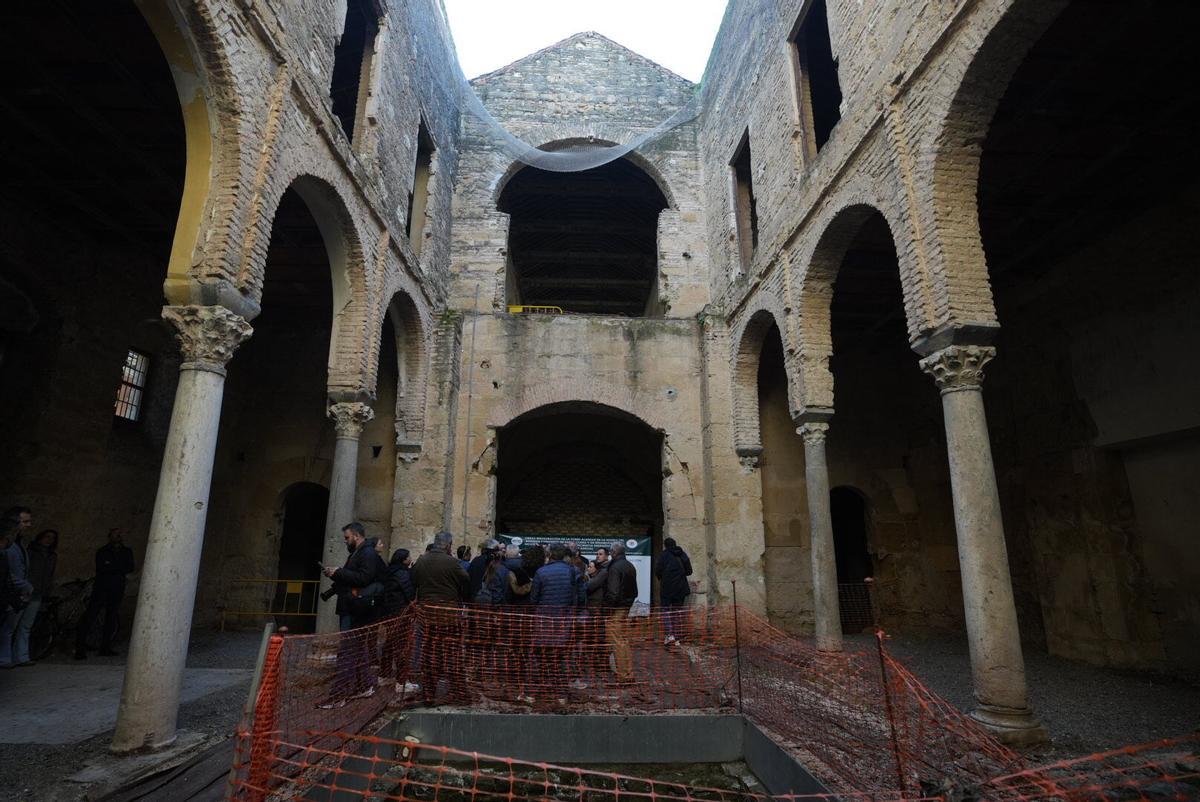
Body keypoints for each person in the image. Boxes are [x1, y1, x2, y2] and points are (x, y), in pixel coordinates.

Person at [316, 522, 384, 709]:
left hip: (355, 609)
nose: (345, 541)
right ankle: (364, 686)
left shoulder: (367, 553)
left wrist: (339, 572)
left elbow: (364, 578)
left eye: (347, 537)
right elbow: (353, 576)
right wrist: (336, 574)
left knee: (347, 652)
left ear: (356, 535)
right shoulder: (358, 553)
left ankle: (338, 695)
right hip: (351, 608)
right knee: (357, 650)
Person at [411, 531, 469, 704]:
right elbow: (466, 580)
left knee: (429, 653)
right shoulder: (452, 562)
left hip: (427, 615)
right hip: (448, 615)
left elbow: (414, 581)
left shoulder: (421, 560)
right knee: (452, 654)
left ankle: (429, 692)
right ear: (448, 545)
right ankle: (459, 692)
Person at [529, 543, 585, 703]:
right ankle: (561, 695)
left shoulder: (541, 572)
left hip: (544, 621)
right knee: (561, 658)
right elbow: (582, 598)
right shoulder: (574, 571)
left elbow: (533, 599)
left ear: (550, 555)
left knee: (538, 657)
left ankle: (531, 694)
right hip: (565, 621)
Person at [74, 528, 134, 660]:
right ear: (109, 536)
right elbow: (103, 567)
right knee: (91, 615)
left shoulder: (126, 551)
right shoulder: (102, 551)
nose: (118, 535)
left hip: (117, 587)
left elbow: (130, 567)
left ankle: (105, 647)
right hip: (102, 587)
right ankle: (80, 647)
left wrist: (112, 566)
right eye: (115, 533)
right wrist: (118, 568)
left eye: (120, 533)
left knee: (111, 616)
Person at [379, 548, 420, 695]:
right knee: (402, 647)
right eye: (409, 556)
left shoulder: (389, 571)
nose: (410, 558)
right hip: (400, 613)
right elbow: (409, 592)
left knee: (389, 644)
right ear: (404, 559)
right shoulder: (402, 573)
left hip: (389, 613)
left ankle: (384, 675)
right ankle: (401, 682)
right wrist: (414, 607)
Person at [14, 529, 58, 665]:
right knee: (13, 625)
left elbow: (49, 574)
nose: (49, 540)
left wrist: (47, 590)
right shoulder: (30, 552)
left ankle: (22, 656)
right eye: (47, 537)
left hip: (38, 593)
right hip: (25, 591)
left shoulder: (52, 556)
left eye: (52, 538)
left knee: (26, 625)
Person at [604, 541, 639, 683]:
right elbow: (634, 590)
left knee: (618, 642)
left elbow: (613, 592)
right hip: (626, 607)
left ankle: (624, 675)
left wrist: (607, 609)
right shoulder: (630, 565)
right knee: (623, 640)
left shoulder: (615, 567)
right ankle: (627, 672)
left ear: (613, 552)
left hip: (616, 609)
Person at [1, 515, 33, 669]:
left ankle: (10, 658)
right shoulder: (9, 548)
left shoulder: (18, 545)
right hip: (12, 591)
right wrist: (25, 585)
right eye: (25, 521)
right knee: (7, 628)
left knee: (11, 627)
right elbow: (10, 573)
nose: (28, 525)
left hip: (15, 592)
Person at [655, 537, 693, 646]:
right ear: (675, 544)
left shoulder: (663, 556)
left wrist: (665, 577)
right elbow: (689, 571)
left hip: (667, 588)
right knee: (677, 611)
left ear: (665, 545)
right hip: (680, 588)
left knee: (666, 611)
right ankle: (677, 637)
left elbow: (657, 571)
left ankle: (669, 635)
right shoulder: (682, 554)